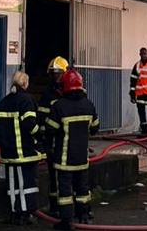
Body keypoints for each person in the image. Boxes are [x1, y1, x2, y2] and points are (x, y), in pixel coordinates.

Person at [45, 69, 99, 230]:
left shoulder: (59, 106)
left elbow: (49, 129)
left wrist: (47, 147)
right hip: (82, 158)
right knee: (82, 188)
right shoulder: (88, 104)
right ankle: (84, 216)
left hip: (64, 159)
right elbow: (95, 128)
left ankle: (66, 221)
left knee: (65, 190)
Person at [0, 70, 44, 225]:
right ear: (25, 83)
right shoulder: (26, 100)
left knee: (13, 185)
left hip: (8, 152)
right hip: (24, 152)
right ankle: (24, 214)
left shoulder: (3, 102)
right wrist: (40, 136)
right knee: (25, 184)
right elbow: (30, 124)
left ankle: (14, 213)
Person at [37, 55, 69, 213]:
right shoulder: (47, 94)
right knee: (54, 176)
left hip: (69, 142)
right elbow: (42, 118)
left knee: (70, 177)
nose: (56, 77)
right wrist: (44, 141)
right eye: (53, 74)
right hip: (53, 142)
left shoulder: (71, 93)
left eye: (58, 73)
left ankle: (73, 208)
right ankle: (55, 206)